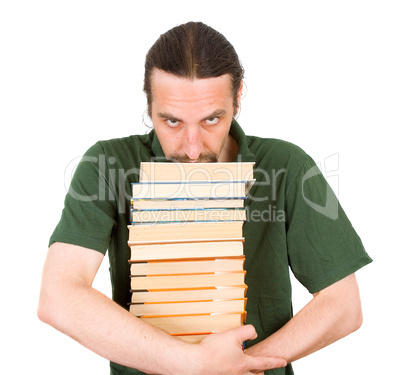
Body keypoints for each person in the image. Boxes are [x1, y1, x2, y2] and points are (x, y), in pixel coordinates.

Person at [38, 21, 372, 375]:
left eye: (212, 119)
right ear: (149, 104)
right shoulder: (107, 164)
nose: (193, 150)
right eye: (172, 122)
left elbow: (343, 306)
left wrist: (241, 365)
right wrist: (196, 364)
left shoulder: (286, 165)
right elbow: (59, 296)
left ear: (238, 96)